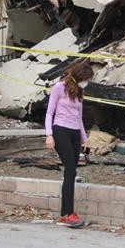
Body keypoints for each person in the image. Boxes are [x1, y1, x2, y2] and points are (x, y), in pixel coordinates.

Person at [45, 62, 94, 227]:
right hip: (60, 130)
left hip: (74, 132)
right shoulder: (59, 87)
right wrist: (49, 135)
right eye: (85, 79)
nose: (86, 82)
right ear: (79, 76)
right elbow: (49, 112)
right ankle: (67, 213)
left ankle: (67, 213)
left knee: (71, 173)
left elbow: (79, 116)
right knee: (71, 169)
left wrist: (84, 137)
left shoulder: (80, 92)